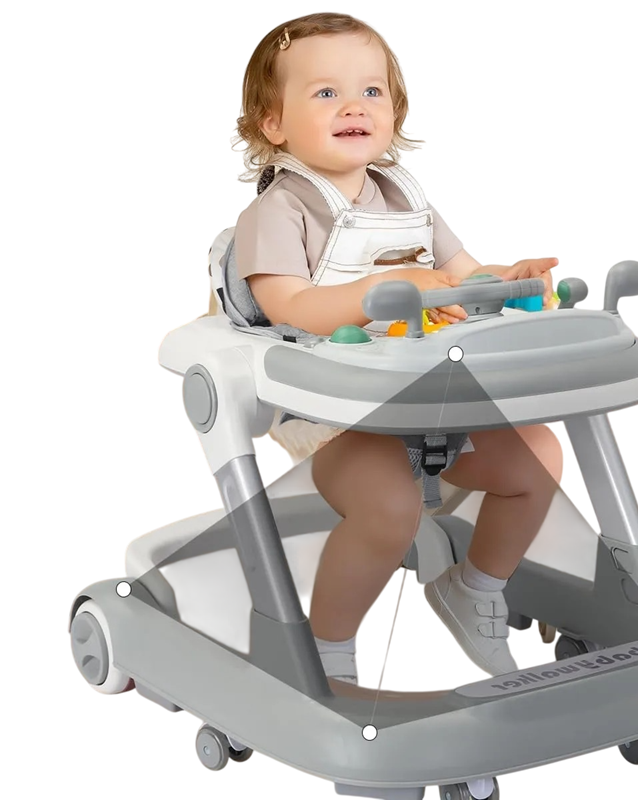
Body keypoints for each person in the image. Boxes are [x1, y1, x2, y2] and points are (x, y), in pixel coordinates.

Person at [233, 12, 563, 685]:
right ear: (274, 123)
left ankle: (475, 586)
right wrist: (383, 290)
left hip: (428, 391)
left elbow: (461, 275)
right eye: (326, 92)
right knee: (390, 508)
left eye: (372, 91)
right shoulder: (277, 212)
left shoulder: (406, 198)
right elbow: (289, 305)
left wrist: (507, 279)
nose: (354, 106)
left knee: (538, 458)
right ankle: (327, 652)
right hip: (334, 410)